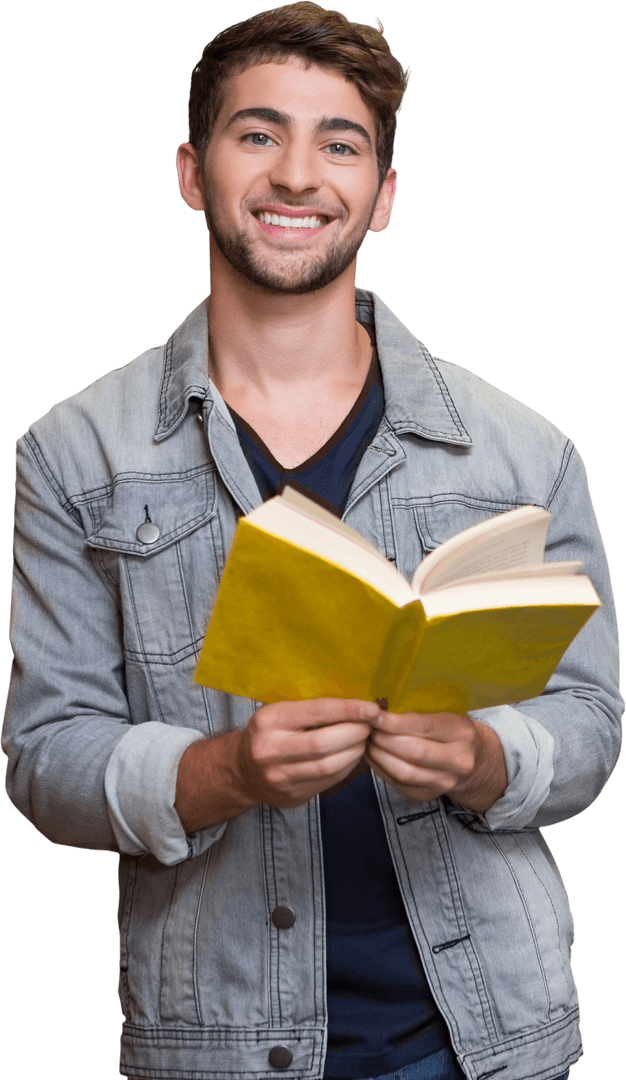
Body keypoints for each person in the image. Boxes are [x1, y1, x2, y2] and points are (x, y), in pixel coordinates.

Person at [2, 3, 622, 1079]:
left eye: (339, 143)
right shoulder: (69, 454)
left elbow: (591, 720)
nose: (297, 175)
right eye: (258, 134)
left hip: (490, 1045)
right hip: (215, 1048)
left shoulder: (524, 451)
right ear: (193, 172)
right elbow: (44, 756)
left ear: (380, 196)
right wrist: (221, 771)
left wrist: (484, 757)